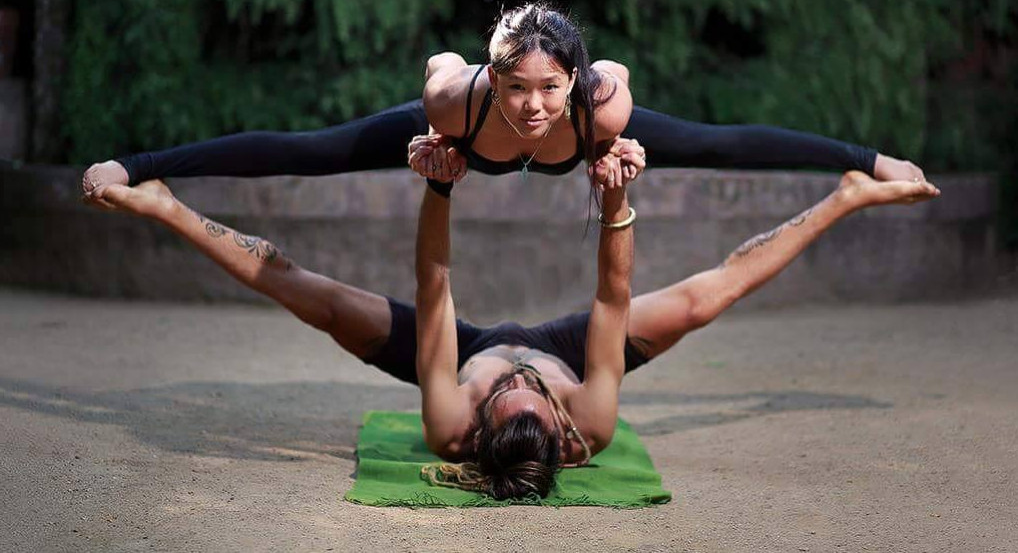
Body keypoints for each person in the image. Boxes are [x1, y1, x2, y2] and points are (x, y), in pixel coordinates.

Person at [87, 137, 940, 499]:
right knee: (705, 298)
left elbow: (436, 284)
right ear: (560, 426)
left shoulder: (451, 413)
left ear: (486, 422)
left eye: (516, 396)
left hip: (455, 350)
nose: (526, 386)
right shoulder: (588, 417)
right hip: (578, 349)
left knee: (313, 296)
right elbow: (614, 298)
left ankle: (164, 205)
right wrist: (616, 203)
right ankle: (847, 196)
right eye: (535, 396)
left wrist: (441, 184)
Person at [80, 2, 926, 207]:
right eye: (517, 86)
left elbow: (728, 136)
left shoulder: (601, 103)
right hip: (455, 111)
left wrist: (597, 132)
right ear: (495, 79)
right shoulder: (455, 102)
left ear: (571, 82)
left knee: (720, 140)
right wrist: (465, 105)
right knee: (309, 147)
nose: (530, 104)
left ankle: (868, 159)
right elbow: (459, 83)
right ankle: (144, 166)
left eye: (545, 88)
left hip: (591, 126)